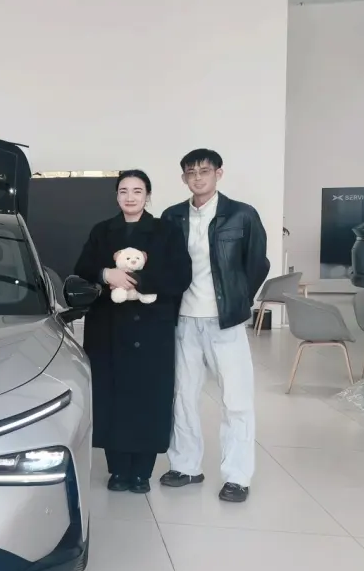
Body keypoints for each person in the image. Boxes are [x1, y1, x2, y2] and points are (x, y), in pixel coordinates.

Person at [160, 149, 269, 503]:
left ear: (218, 173)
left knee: (236, 399)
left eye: (204, 171)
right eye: (190, 172)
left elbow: (258, 263)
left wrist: (237, 299)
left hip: (226, 322)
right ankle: (185, 466)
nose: (197, 177)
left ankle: (237, 476)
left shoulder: (242, 215)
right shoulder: (172, 216)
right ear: (183, 178)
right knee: (183, 396)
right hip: (183, 320)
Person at [74, 170, 192, 493]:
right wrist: (106, 274)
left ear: (147, 196)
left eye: (137, 191)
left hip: (152, 327)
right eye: (124, 191)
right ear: (116, 196)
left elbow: (181, 275)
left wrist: (137, 281)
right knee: (112, 397)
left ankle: (142, 472)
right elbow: (82, 266)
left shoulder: (166, 231)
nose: (130, 197)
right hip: (108, 327)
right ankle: (117, 470)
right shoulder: (102, 230)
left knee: (148, 398)